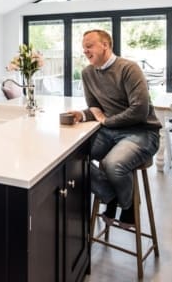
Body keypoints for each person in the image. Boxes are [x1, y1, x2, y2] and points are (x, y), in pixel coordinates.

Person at [70, 29, 161, 228]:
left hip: (142, 131)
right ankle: (109, 196)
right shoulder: (87, 73)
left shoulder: (129, 68)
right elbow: (95, 106)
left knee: (112, 164)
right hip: (110, 132)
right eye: (83, 47)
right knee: (72, 159)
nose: (85, 50)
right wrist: (83, 114)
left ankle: (128, 208)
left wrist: (106, 121)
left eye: (89, 45)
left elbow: (140, 110)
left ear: (105, 45)